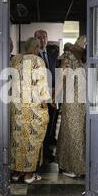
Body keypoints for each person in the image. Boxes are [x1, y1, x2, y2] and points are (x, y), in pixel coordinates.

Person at [9, 37, 51, 183]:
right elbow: (42, 85)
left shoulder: (15, 60)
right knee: (32, 139)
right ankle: (28, 174)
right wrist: (45, 104)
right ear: (36, 48)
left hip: (16, 107)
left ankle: (16, 172)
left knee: (17, 139)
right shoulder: (38, 61)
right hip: (33, 108)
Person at [56, 35, 87, 178]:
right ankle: (73, 167)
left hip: (80, 102)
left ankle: (72, 165)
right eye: (84, 46)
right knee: (73, 133)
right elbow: (63, 76)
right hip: (73, 101)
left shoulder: (80, 58)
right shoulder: (69, 55)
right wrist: (55, 95)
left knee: (74, 132)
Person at [34, 29, 59, 164]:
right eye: (39, 38)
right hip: (39, 98)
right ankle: (38, 152)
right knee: (39, 125)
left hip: (52, 96)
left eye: (44, 37)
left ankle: (47, 151)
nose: (42, 40)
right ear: (35, 40)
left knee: (51, 125)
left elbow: (56, 73)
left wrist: (55, 90)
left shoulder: (53, 54)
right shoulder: (33, 56)